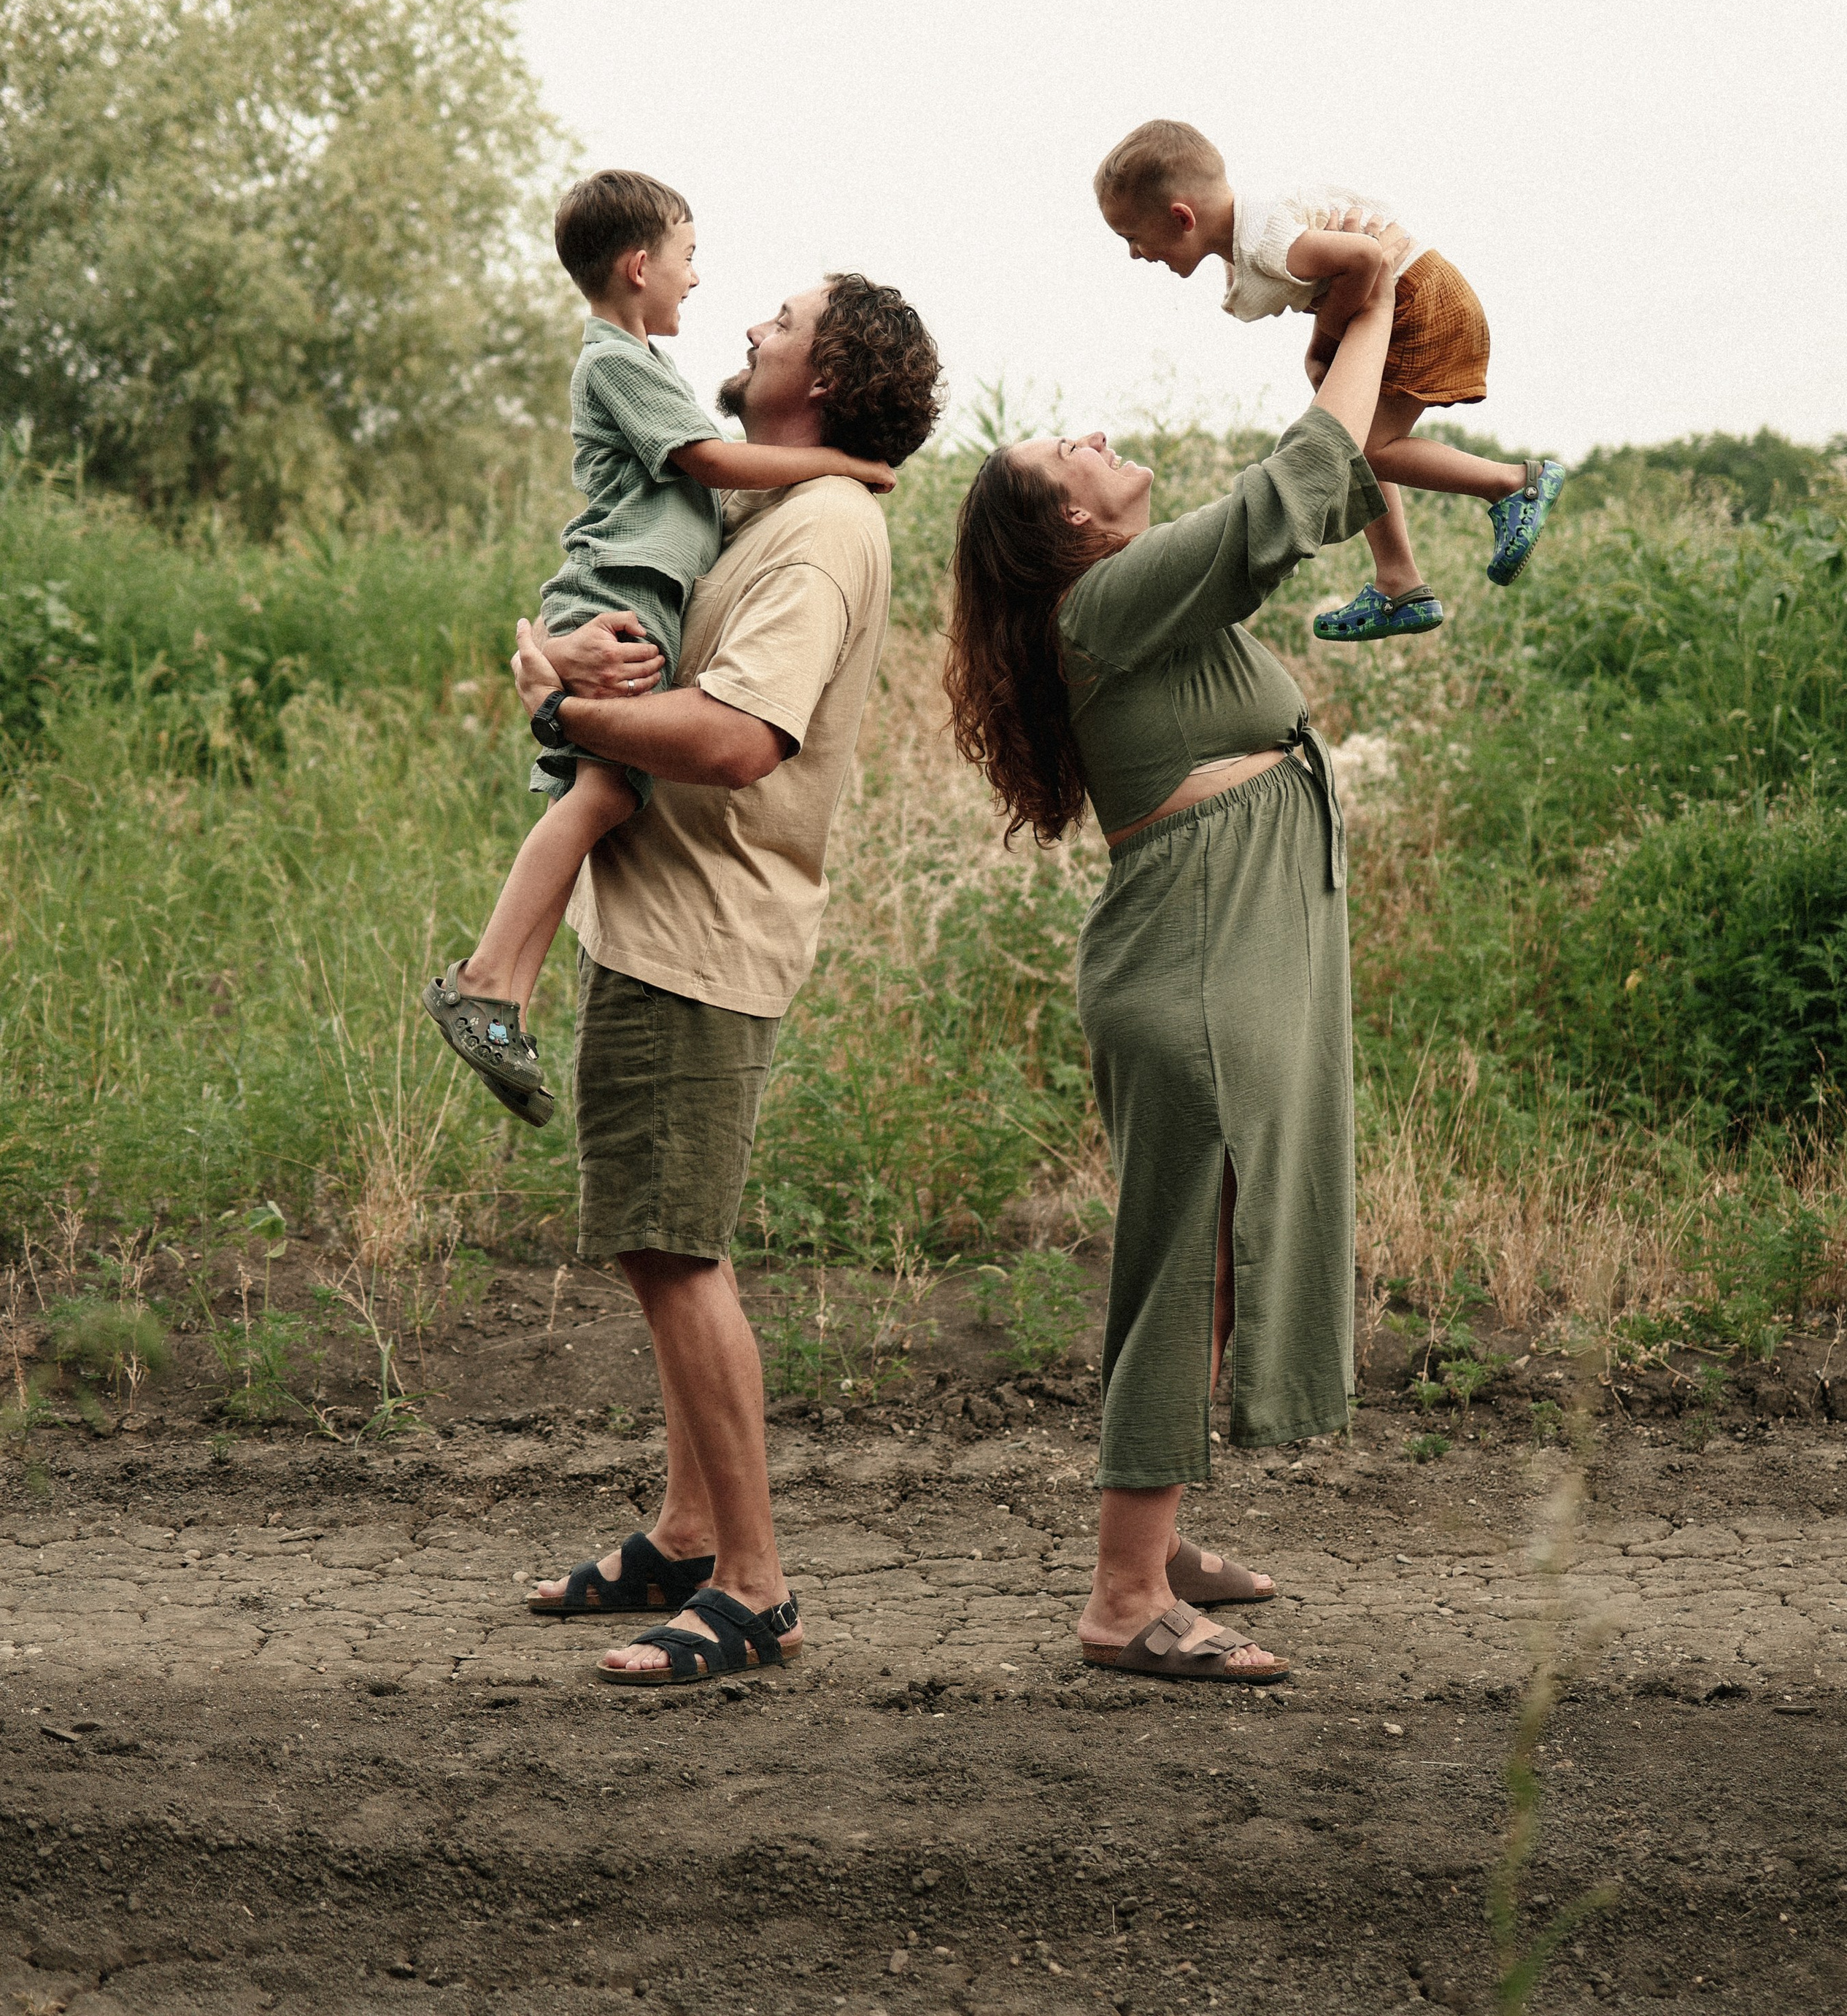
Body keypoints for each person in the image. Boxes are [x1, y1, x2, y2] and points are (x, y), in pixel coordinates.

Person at [943, 253, 1397, 1686]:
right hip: (1194, 968)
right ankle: (1124, 1596)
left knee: (1200, 1271)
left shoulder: (1137, 608)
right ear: (1064, 527)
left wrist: (1341, 353)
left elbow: (1326, 483)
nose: (1088, 433)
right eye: (1061, 453)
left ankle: (1159, 1529)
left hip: (1217, 950)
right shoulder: (1105, 603)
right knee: (1182, 1267)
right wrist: (1370, 303)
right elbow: (1280, 502)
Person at [519, 273, 943, 1688]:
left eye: (779, 318)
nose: (750, 326)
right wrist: (572, 657)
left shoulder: (819, 533)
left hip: (701, 931)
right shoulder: (771, 511)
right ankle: (686, 1533)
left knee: (673, 1249)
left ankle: (753, 1588)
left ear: (820, 377)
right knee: (667, 1236)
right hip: (671, 921)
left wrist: (561, 710)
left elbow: (740, 737)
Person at [423, 173, 896, 1126]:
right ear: (640, 267)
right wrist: (844, 462)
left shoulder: (642, 362)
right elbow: (712, 462)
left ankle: (504, 994)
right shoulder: (615, 362)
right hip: (621, 596)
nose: (700, 280)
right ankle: (483, 979)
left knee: (599, 798)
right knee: (596, 794)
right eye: (687, 257)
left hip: (644, 603)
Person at [1094, 117, 1566, 641]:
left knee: (1363, 444)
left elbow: (1364, 257)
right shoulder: (1252, 237)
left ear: (1182, 217)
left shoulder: (1264, 243)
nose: (1135, 253)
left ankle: (1512, 484)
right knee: (1350, 432)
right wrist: (1325, 348)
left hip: (1419, 301)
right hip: (1413, 296)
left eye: (1132, 237)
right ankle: (1399, 580)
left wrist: (1327, 339)